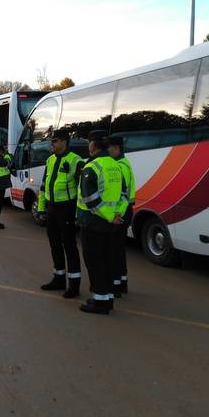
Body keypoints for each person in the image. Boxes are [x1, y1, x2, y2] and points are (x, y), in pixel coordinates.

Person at [76, 130, 127, 315]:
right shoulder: (115, 165)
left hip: (93, 223)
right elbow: (124, 195)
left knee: (94, 262)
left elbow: (90, 199)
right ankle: (107, 298)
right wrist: (117, 214)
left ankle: (99, 302)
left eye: (89, 142)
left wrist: (108, 215)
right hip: (111, 224)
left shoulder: (92, 167)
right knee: (106, 261)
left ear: (93, 145)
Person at [37, 130, 85, 298]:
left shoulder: (76, 161)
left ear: (64, 141)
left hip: (67, 208)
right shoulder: (50, 160)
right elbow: (43, 186)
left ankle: (74, 284)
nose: (52, 144)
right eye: (52, 141)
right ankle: (58, 278)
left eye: (55, 141)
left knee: (69, 246)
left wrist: (78, 213)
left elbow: (82, 190)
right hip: (52, 208)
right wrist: (41, 209)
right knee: (54, 244)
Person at [108, 136, 135, 297]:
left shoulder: (120, 166)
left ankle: (116, 286)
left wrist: (116, 214)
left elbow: (123, 195)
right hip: (125, 210)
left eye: (110, 147)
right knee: (119, 249)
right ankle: (121, 282)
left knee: (115, 250)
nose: (108, 150)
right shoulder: (124, 163)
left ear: (117, 148)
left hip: (121, 212)